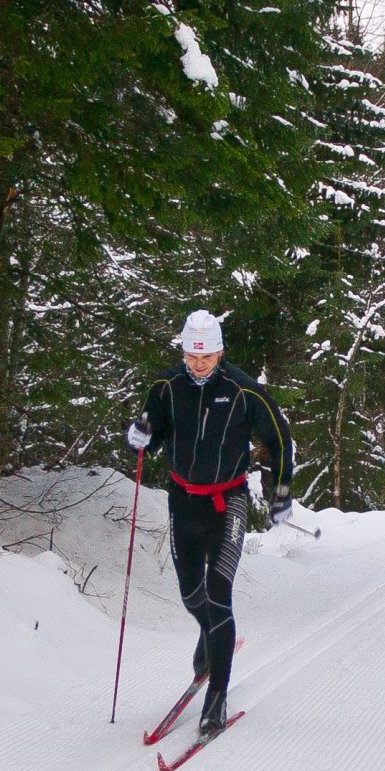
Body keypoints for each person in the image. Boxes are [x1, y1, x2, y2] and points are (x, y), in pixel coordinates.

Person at [127, 309, 294, 736]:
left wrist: (281, 491)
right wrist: (140, 435)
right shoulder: (166, 387)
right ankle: (209, 633)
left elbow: (279, 437)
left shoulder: (243, 390)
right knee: (190, 594)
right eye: (192, 355)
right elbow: (152, 431)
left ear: (220, 352)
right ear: (183, 350)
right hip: (183, 500)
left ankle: (216, 697)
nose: (199, 364)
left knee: (218, 593)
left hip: (229, 502)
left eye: (207, 355)